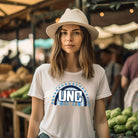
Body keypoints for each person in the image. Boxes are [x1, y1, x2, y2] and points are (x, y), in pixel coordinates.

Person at [27, 8, 111, 138]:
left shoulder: (98, 73)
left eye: (76, 33)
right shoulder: (43, 72)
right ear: (58, 37)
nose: (69, 38)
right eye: (64, 33)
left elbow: (100, 121)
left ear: (84, 37)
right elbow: (35, 119)